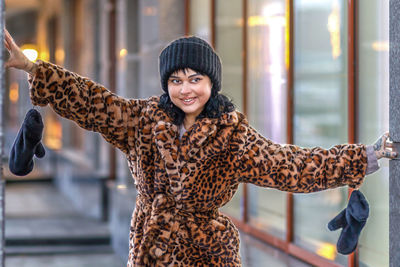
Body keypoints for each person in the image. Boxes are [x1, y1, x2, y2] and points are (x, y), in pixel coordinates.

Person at [4, 28, 397, 266]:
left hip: (208, 252)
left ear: (212, 84)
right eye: (176, 80)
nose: (185, 89)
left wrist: (366, 155)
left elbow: (290, 165)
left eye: (195, 79)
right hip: (149, 245)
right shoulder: (144, 121)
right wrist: (34, 69)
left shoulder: (233, 136)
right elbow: (95, 104)